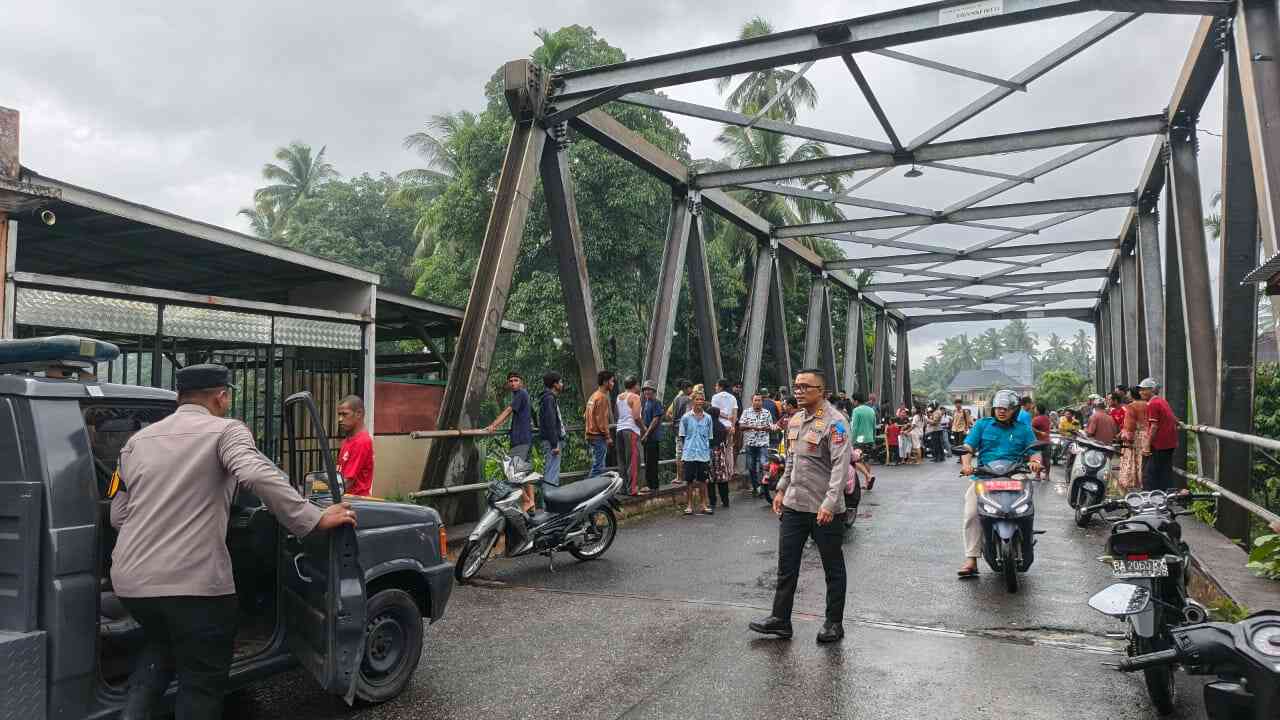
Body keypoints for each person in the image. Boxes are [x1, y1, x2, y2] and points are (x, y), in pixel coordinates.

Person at [110, 364, 355, 720]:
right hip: (194, 587)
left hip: (132, 584)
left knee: (161, 651)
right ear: (221, 396)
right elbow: (255, 473)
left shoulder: (135, 443)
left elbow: (118, 516)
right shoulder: (225, 431)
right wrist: (312, 517)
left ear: (179, 397)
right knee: (201, 683)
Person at [749, 369, 850, 644]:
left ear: (822, 391)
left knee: (832, 567)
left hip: (824, 508)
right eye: (797, 386)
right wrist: (781, 489)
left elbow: (841, 467)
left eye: (806, 386)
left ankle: (833, 623)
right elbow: (792, 461)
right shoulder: (794, 421)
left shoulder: (836, 423)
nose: (800, 391)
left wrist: (830, 503)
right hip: (794, 505)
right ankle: (780, 620)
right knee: (787, 565)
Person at [956, 389, 1043, 578]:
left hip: (1016, 475)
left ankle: (1026, 538)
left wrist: (1035, 462)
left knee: (1025, 508)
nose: (1001, 411)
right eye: (998, 408)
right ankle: (971, 559)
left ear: (1015, 409)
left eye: (1006, 408)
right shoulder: (982, 425)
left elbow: (1034, 450)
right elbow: (968, 447)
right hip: (985, 476)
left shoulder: (1023, 429)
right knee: (971, 513)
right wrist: (966, 465)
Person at [486, 371, 533, 468]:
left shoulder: (521, 394)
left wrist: (493, 426)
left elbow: (508, 411)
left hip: (521, 439)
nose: (513, 383)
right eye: (511, 381)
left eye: (516, 380)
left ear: (521, 382)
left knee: (518, 472)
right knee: (520, 472)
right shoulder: (520, 394)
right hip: (521, 438)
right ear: (508, 383)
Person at [1140, 378, 1179, 491]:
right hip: (1169, 443)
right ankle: (1168, 496)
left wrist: (1147, 445)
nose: (1141, 392)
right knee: (1165, 473)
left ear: (1152, 390)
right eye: (1140, 390)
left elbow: (1154, 426)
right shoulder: (1162, 401)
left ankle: (1150, 499)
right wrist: (1180, 423)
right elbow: (1172, 417)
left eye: (1144, 389)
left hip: (1159, 444)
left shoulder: (1152, 404)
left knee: (1149, 475)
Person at [680, 392, 714, 515]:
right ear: (692, 401)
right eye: (697, 399)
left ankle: (703, 504)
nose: (700, 402)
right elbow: (683, 437)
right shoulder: (686, 417)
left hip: (703, 453)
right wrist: (686, 450)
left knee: (703, 481)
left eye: (702, 399)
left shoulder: (708, 418)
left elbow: (709, 437)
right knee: (689, 481)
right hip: (689, 453)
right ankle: (688, 505)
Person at [336, 395, 374, 497]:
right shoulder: (347, 441)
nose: (340, 419)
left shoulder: (361, 442)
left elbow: (347, 481)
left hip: (356, 502)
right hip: (347, 498)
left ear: (359, 414)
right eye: (339, 415)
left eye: (345, 414)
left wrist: (329, 495)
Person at [739, 393, 774, 498]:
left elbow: (771, 427)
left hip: (763, 443)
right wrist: (752, 426)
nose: (758, 402)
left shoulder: (767, 413)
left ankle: (764, 487)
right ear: (752, 401)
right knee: (751, 467)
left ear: (762, 402)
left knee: (764, 465)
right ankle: (756, 487)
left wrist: (764, 428)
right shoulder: (746, 412)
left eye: (759, 400)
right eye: (756, 400)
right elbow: (741, 426)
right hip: (750, 443)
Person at [538, 371, 567, 492]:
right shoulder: (549, 399)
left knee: (551, 471)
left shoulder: (548, 398)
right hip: (552, 443)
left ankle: (549, 504)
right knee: (551, 473)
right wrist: (555, 444)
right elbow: (550, 422)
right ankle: (549, 506)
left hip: (550, 441)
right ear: (555, 384)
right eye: (560, 382)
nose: (562, 384)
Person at [1117, 386, 1149, 492]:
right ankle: (1145, 483)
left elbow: (1129, 427)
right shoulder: (1148, 404)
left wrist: (1125, 437)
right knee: (1143, 461)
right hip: (1147, 436)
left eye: (1128, 393)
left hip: (1137, 436)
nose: (1127, 395)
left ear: (1132, 394)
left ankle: (1133, 483)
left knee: (1133, 460)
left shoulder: (1131, 406)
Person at [615, 377, 643, 496]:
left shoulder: (619, 397)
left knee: (622, 460)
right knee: (633, 460)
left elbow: (617, 413)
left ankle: (623, 488)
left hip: (619, 429)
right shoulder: (635, 397)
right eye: (638, 385)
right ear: (635, 385)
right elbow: (636, 416)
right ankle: (632, 488)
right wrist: (643, 428)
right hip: (631, 430)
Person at [585, 371, 615, 477]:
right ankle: (589, 491)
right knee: (598, 467)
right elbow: (601, 420)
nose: (613, 383)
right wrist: (607, 436)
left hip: (590, 435)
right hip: (598, 436)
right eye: (612, 381)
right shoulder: (602, 398)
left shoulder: (593, 396)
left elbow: (586, 416)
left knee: (597, 464)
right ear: (605, 382)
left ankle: (595, 491)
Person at [638, 380, 665, 495]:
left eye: (649, 389)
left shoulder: (656, 403)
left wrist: (646, 434)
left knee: (652, 462)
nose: (647, 392)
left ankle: (653, 486)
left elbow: (655, 420)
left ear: (653, 391)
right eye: (645, 390)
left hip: (652, 437)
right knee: (648, 461)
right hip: (647, 437)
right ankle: (651, 485)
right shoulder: (646, 403)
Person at [666, 379, 692, 485]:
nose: (691, 390)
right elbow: (688, 415)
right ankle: (689, 476)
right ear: (686, 388)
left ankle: (679, 477)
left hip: (677, 429)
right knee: (688, 453)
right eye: (690, 388)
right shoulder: (688, 399)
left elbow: (669, 414)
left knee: (679, 453)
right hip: (686, 430)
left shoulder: (676, 399)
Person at [849, 392, 877, 490]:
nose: (852, 402)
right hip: (869, 439)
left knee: (854, 460)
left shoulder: (856, 410)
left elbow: (855, 427)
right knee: (867, 461)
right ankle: (867, 482)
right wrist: (873, 439)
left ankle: (868, 476)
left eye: (852, 400)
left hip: (859, 440)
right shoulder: (871, 410)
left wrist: (852, 441)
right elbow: (874, 426)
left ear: (856, 401)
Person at [707, 406, 731, 509]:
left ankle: (712, 501)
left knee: (710, 478)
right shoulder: (722, 426)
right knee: (722, 478)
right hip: (720, 452)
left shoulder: (707, 426)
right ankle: (725, 501)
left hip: (709, 452)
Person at [950, 400, 972, 464]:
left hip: (962, 429)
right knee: (956, 444)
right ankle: (959, 458)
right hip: (955, 429)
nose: (957, 405)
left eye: (958, 403)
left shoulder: (965, 411)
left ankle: (962, 459)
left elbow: (968, 421)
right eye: (956, 403)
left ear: (961, 404)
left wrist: (966, 429)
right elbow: (953, 420)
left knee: (961, 445)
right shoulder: (954, 411)